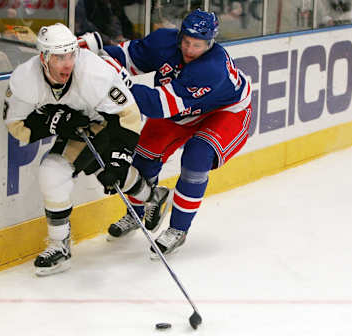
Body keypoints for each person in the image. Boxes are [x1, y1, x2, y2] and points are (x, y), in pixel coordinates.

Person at [88, 9, 252, 258]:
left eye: (197, 45)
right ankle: (136, 214)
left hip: (225, 111)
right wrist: (90, 59)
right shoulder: (164, 41)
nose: (188, 49)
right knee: (142, 157)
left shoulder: (212, 68)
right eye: (186, 41)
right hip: (182, 109)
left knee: (196, 157)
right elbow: (124, 56)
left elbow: (159, 105)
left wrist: (120, 85)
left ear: (210, 43)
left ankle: (178, 230)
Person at [4, 23, 152, 275]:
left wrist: (120, 159)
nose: (68, 63)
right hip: (84, 126)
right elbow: (17, 125)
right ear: (44, 58)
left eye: (72, 55)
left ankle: (151, 196)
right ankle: (60, 245)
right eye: (60, 57)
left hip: (113, 118)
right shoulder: (25, 79)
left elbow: (129, 116)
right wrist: (54, 123)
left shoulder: (94, 73)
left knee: (111, 169)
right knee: (52, 172)